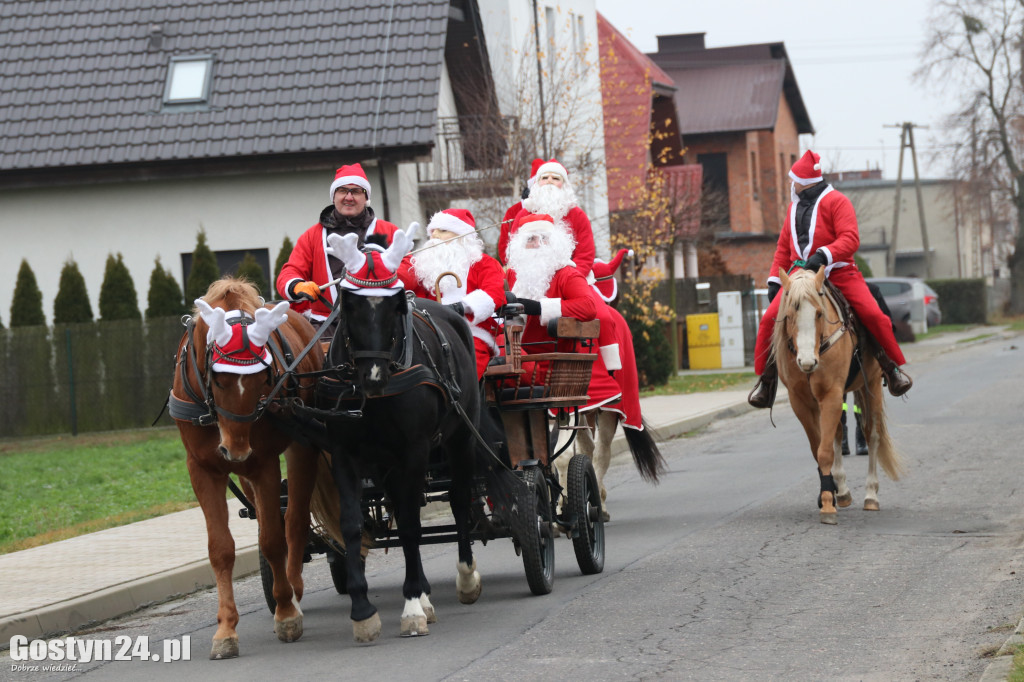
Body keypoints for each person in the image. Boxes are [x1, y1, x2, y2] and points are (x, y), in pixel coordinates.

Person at [748, 150, 912, 409]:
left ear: (803, 180)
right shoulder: (792, 208)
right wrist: (774, 281)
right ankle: (766, 381)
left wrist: (824, 255)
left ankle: (891, 368)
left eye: (794, 179)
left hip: (839, 271)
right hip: (799, 276)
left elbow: (850, 238)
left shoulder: (838, 201)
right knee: (769, 319)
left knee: (873, 314)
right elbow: (783, 248)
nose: (792, 184)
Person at [277, 163, 402, 328]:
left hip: (378, 324)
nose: (349, 197)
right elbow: (290, 271)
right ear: (334, 196)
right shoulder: (312, 236)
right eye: (342, 190)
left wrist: (379, 273)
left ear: (366, 198)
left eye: (356, 191)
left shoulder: (389, 231)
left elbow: (408, 270)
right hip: (325, 325)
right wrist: (297, 285)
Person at [397, 208, 505, 379]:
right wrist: (391, 262)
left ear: (462, 237)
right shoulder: (420, 262)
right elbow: (399, 278)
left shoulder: (484, 263)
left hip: (470, 333)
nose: (435, 236)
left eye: (443, 230)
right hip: (425, 333)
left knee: (462, 371)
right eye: (433, 231)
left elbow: (494, 293)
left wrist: (461, 307)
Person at [498, 159, 595, 278]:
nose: (549, 181)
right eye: (544, 178)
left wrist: (572, 278)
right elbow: (514, 252)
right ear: (537, 184)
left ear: (564, 185)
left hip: (570, 277)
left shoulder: (577, 215)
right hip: (531, 279)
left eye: (555, 178)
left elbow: (585, 254)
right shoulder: (524, 214)